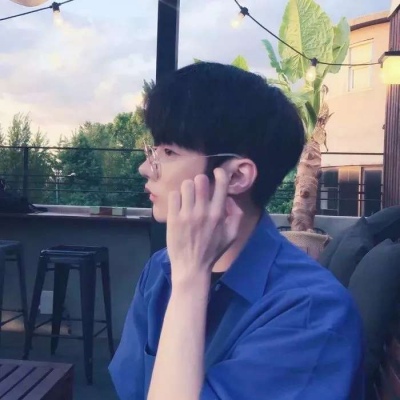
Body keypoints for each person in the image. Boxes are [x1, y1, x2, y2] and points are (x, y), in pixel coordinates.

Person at [109, 62, 364, 400]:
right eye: (153, 150)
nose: (146, 167)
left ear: (236, 177)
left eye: (168, 152)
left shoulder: (312, 313)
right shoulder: (160, 271)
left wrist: (190, 283)